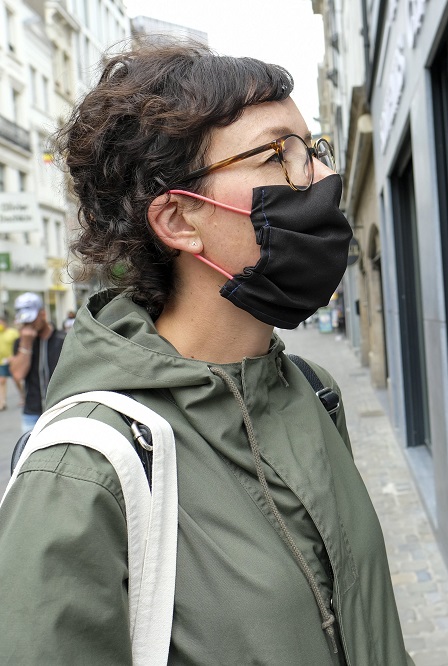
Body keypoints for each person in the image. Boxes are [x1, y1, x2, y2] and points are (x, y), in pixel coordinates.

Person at [0, 43, 411, 664]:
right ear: (180, 219)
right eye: (281, 155)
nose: (321, 179)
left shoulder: (312, 392)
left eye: (314, 150)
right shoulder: (82, 472)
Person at [8, 292, 64, 433]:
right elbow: (18, 375)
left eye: (31, 320)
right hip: (32, 413)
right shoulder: (21, 343)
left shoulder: (62, 340)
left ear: (42, 314)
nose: (28, 325)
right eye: (25, 322)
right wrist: (26, 344)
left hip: (60, 411)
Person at [0, 315, 20, 410]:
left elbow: (19, 345)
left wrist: (15, 357)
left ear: (5, 322)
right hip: (2, 362)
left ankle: (23, 396)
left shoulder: (13, 332)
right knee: (2, 381)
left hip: (13, 361)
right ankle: (2, 402)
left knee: (16, 380)